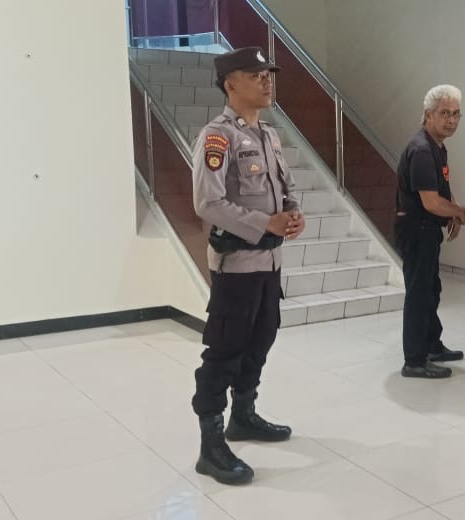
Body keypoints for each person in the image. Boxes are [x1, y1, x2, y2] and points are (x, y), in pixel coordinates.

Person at [189, 47, 305, 486]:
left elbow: (285, 188)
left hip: (270, 261)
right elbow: (208, 202)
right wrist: (263, 223)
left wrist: (293, 213)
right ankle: (211, 444)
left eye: (268, 74)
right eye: (256, 75)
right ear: (230, 83)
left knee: (261, 338)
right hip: (236, 265)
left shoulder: (268, 135)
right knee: (225, 350)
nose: (266, 80)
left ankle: (244, 415)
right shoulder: (217, 138)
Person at [395, 84, 465, 379]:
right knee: (419, 294)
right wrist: (459, 213)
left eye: (456, 114)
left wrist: (452, 209)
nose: (451, 120)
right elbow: (431, 202)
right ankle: (414, 360)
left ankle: (431, 345)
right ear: (428, 115)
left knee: (431, 290)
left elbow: (442, 191)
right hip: (417, 230)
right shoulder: (422, 150)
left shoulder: (437, 145)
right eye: (444, 113)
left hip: (427, 230)